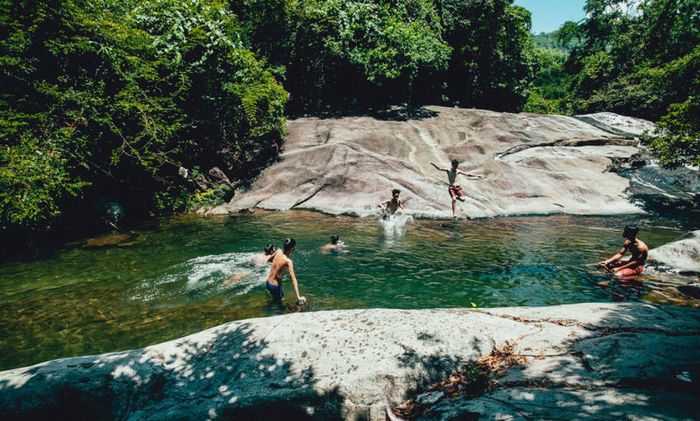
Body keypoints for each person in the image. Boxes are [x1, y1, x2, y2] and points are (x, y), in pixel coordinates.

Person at [266, 238, 306, 304]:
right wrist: (298, 297)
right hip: (274, 286)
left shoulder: (278, 251)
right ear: (292, 249)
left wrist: (276, 268)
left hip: (268, 282)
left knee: (278, 298)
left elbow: (269, 260)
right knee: (278, 304)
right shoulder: (288, 261)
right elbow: (294, 280)